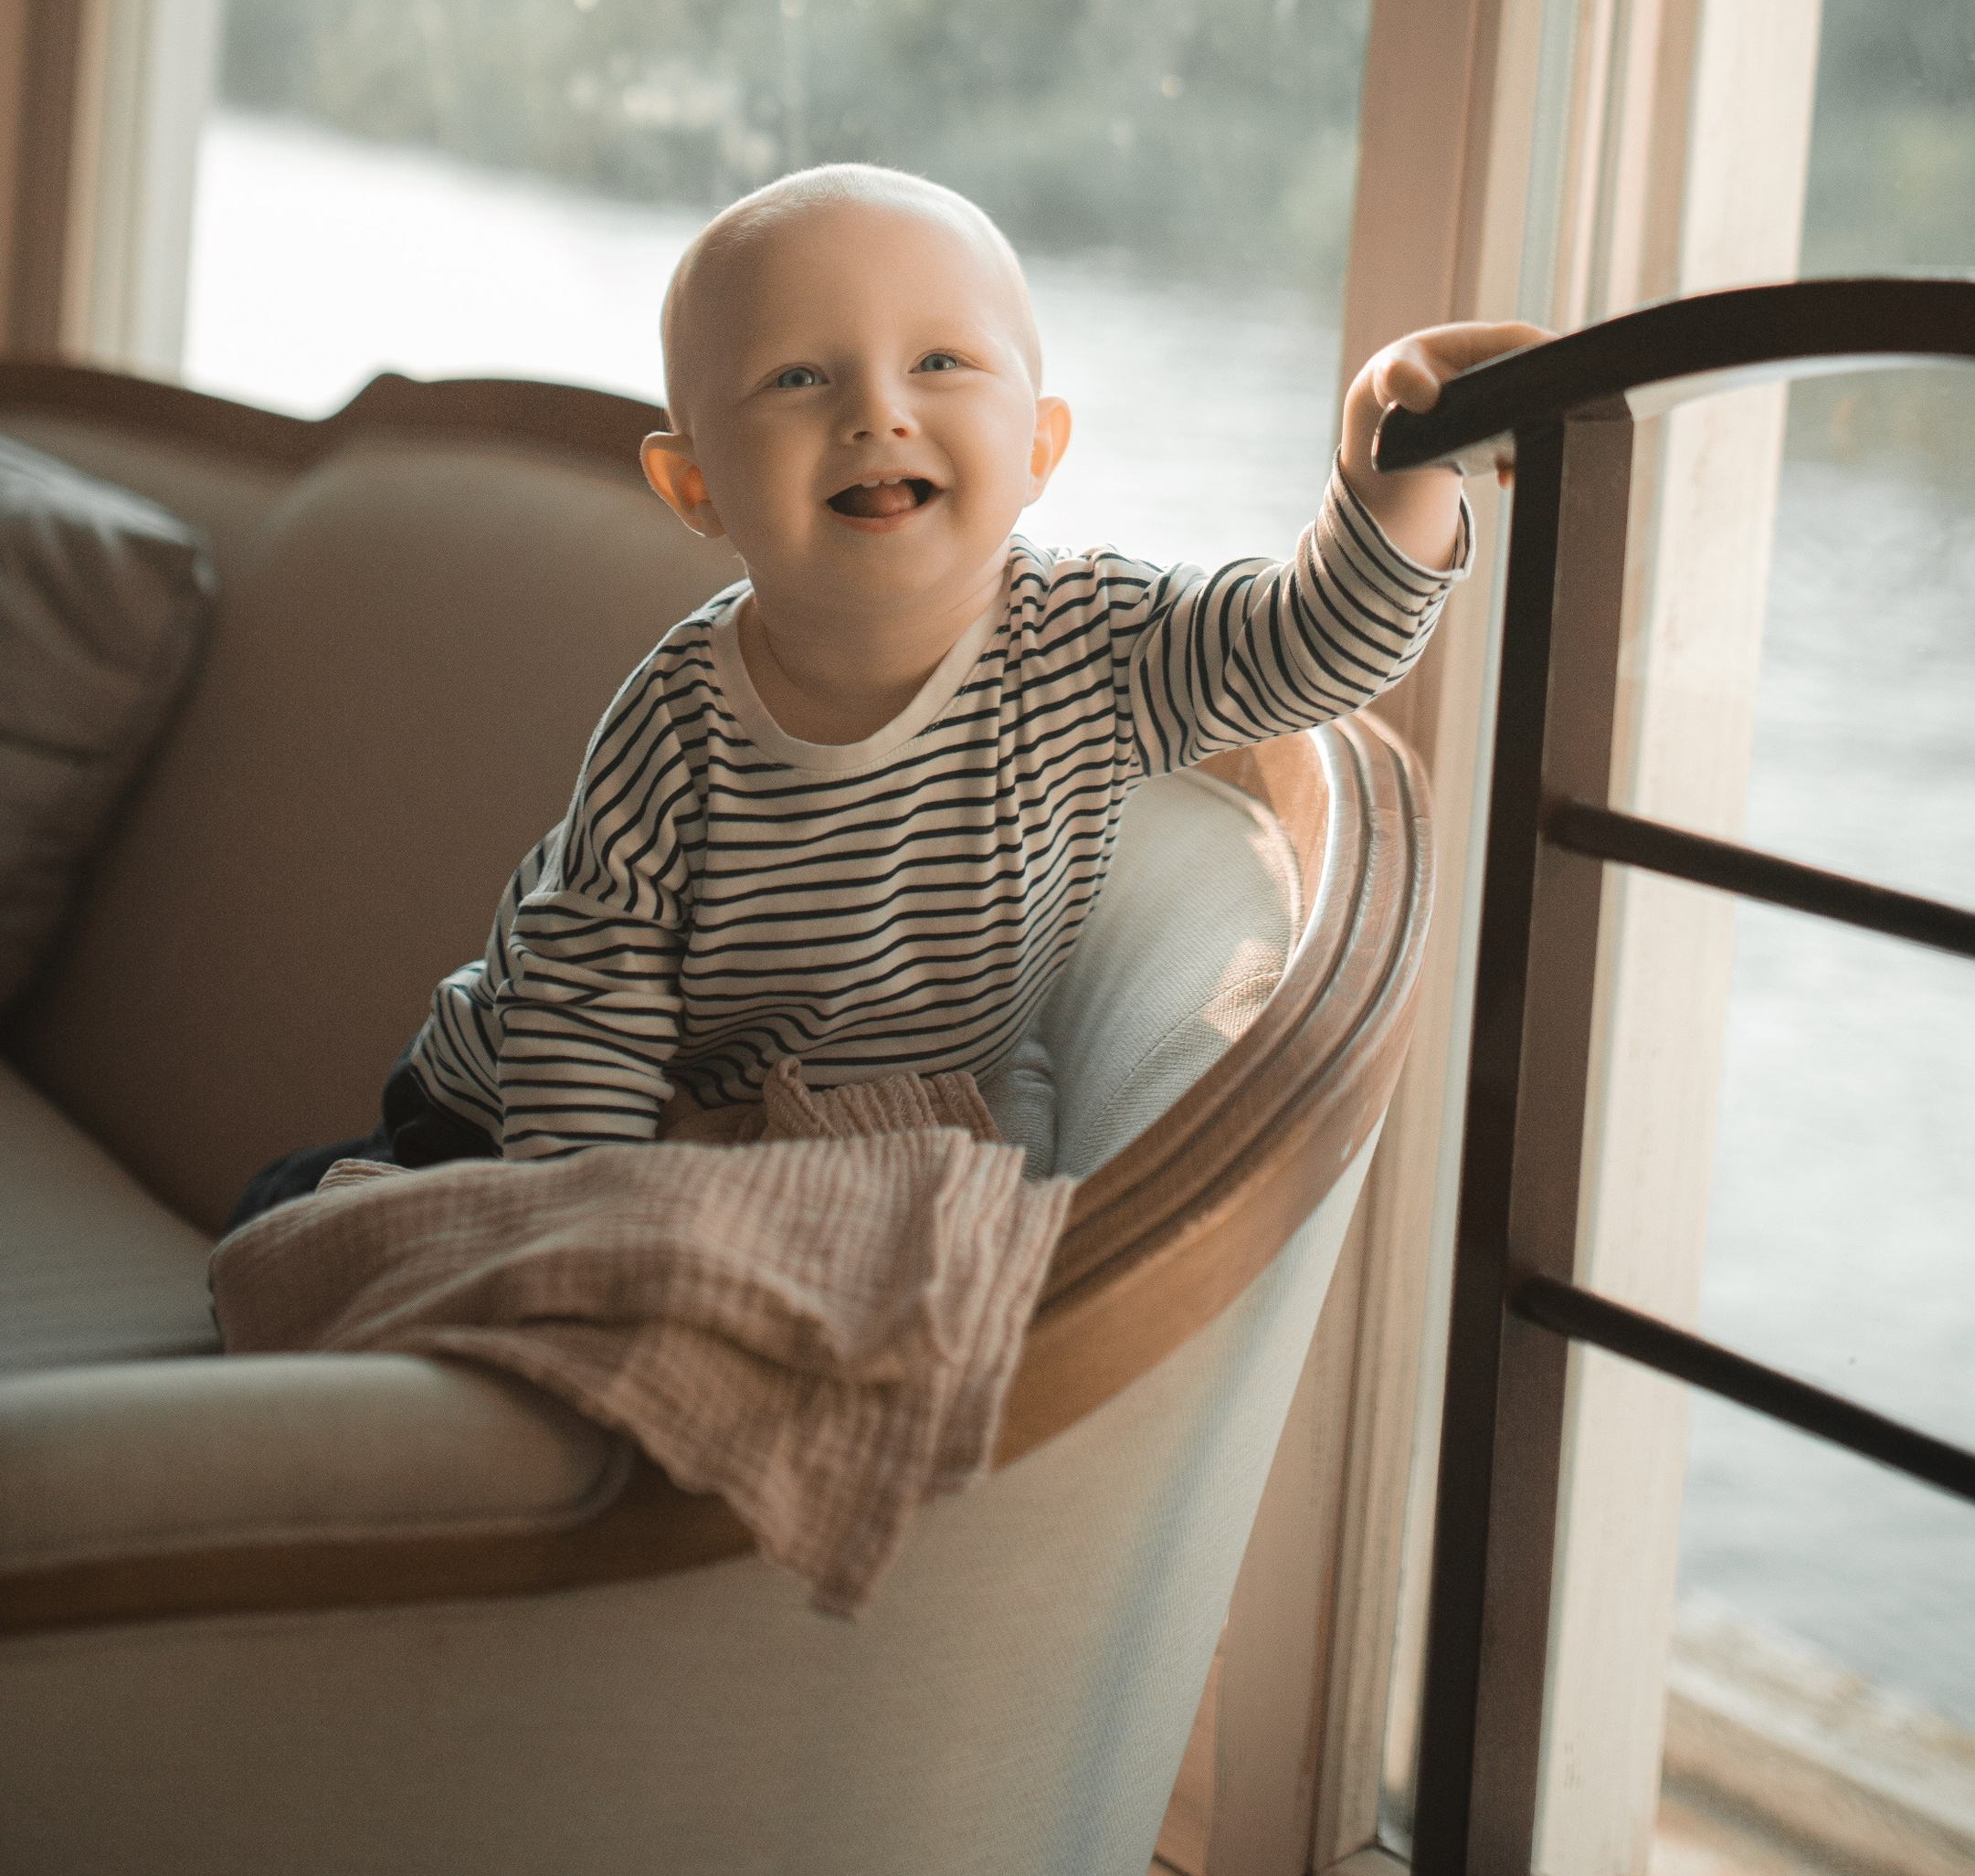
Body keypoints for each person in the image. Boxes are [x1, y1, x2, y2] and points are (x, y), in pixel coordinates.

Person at [228, 165, 1541, 1217]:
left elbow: (1312, 649)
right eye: (800, 378)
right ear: (696, 486)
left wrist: (1397, 466)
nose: (876, 413)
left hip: (838, 1138)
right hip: (504, 1110)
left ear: (1039, 446)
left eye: (941, 364)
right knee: (325, 1237)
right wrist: (595, 1236)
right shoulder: (681, 719)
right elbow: (585, 1011)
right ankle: (282, 1203)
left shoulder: (1093, 643)